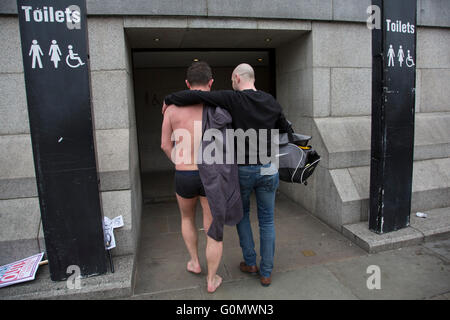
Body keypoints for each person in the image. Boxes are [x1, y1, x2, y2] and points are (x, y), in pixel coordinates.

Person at [163, 63, 292, 287]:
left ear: (236, 78)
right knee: (265, 220)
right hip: (266, 168)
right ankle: (262, 273)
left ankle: (243, 261)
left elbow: (192, 99)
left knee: (237, 216)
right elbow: (285, 130)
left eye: (232, 80)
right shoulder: (270, 101)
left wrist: (168, 99)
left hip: (234, 170)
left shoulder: (232, 99)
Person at [161, 61, 236, 293]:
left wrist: (179, 161)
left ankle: (194, 262)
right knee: (212, 227)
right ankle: (212, 280)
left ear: (187, 83)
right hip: (210, 175)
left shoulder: (171, 109)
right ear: (211, 82)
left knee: (186, 219)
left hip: (184, 174)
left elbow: (164, 144)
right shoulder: (219, 107)